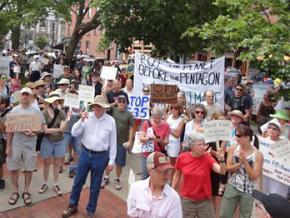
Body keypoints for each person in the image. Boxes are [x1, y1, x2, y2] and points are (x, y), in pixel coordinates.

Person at [62, 95, 116, 218]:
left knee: (95, 186)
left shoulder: (110, 121)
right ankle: (72, 205)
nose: (97, 108)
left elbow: (113, 142)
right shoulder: (87, 117)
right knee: (78, 181)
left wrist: (112, 160)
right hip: (85, 153)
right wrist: (81, 120)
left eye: (100, 106)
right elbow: (74, 132)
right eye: (96, 105)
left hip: (101, 156)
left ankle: (90, 211)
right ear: (93, 106)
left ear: (105, 108)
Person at [172, 133, 226, 218]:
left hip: (204, 200)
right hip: (187, 200)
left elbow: (222, 171)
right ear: (192, 146)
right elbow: (176, 175)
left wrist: (222, 160)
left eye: (203, 144)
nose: (203, 147)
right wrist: (172, 190)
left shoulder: (208, 158)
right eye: (199, 144)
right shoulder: (182, 158)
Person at [6, 87, 45, 205]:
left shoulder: (36, 110)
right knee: (13, 168)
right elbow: (9, 130)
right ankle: (15, 191)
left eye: (27, 95)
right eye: (23, 94)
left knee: (29, 168)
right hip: (16, 143)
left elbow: (41, 128)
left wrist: (34, 132)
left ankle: (26, 191)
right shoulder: (14, 111)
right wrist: (8, 146)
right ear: (20, 96)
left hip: (29, 144)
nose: (25, 96)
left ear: (30, 96)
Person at [220, 124, 264, 218]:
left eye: (239, 136)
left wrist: (244, 162)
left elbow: (254, 176)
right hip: (232, 186)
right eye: (236, 135)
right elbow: (228, 168)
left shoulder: (258, 155)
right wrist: (238, 164)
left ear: (248, 137)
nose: (236, 138)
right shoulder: (233, 148)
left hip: (248, 191)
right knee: (224, 214)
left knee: (245, 216)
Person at [127, 151, 182, 218]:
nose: (167, 176)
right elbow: (133, 215)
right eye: (163, 172)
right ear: (150, 171)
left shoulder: (173, 198)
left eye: (168, 171)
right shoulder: (136, 189)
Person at [101, 94, 134, 190]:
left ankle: (117, 178)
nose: (121, 103)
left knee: (119, 163)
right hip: (109, 141)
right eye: (119, 101)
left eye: (123, 101)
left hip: (121, 142)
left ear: (127, 103)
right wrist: (113, 103)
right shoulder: (113, 110)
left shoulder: (129, 114)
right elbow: (104, 107)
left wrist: (130, 141)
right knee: (107, 160)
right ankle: (106, 177)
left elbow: (132, 128)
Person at [38, 94, 69, 196]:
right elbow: (45, 130)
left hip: (59, 141)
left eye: (58, 101)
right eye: (54, 101)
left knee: (57, 163)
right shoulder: (44, 113)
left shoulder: (61, 112)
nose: (56, 103)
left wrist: (61, 128)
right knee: (46, 162)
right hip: (47, 141)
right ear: (50, 101)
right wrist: (59, 129)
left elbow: (64, 126)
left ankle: (56, 183)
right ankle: (45, 183)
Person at [139, 107, 170, 179]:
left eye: (159, 118)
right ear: (152, 116)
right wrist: (148, 138)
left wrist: (157, 140)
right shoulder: (147, 123)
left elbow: (166, 141)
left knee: (158, 174)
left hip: (159, 154)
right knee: (145, 174)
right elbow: (141, 138)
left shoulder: (166, 125)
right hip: (147, 153)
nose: (157, 120)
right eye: (155, 118)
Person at [262, 119, 289, 198]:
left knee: (276, 195)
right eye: (269, 128)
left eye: (274, 129)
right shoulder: (262, 142)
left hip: (277, 176)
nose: (271, 130)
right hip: (265, 173)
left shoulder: (284, 144)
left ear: (279, 132)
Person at [0, 96, 12, 189]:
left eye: (2, 103)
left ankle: (0, 179)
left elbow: (6, 130)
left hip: (3, 140)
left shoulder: (9, 114)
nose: (0, 105)